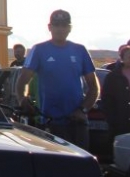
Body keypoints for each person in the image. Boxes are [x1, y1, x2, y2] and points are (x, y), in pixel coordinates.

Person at [15, 9, 98, 150]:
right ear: (50, 27)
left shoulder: (80, 50)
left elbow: (94, 87)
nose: (60, 29)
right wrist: (22, 100)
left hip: (75, 122)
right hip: (48, 121)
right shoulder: (39, 50)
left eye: (64, 25)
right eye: (56, 25)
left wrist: (83, 110)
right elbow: (22, 81)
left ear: (69, 28)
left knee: (79, 167)